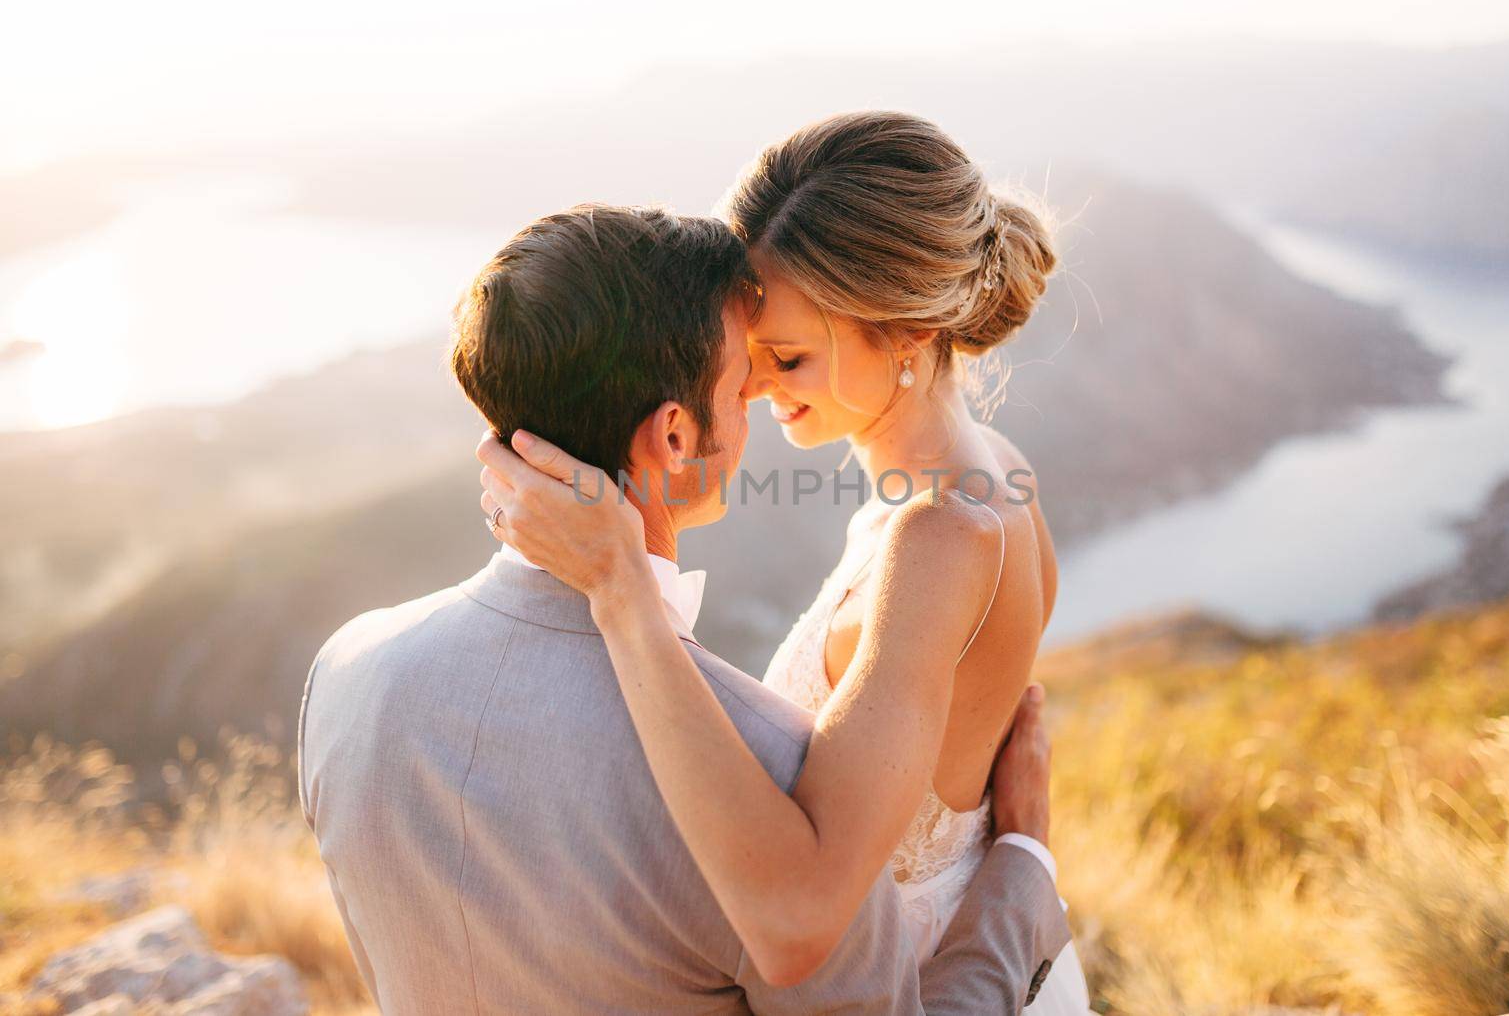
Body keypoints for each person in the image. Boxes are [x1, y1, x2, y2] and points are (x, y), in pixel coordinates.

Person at [300, 203, 1071, 1014]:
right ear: (673, 436)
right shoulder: (772, 797)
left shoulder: (348, 674)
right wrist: (1022, 866)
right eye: (744, 376)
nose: (763, 392)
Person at [480, 112, 1092, 1013]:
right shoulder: (983, 470)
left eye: (790, 357)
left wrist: (621, 586)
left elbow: (801, 917)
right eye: (750, 348)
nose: (753, 385)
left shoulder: (941, 535)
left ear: (909, 337)